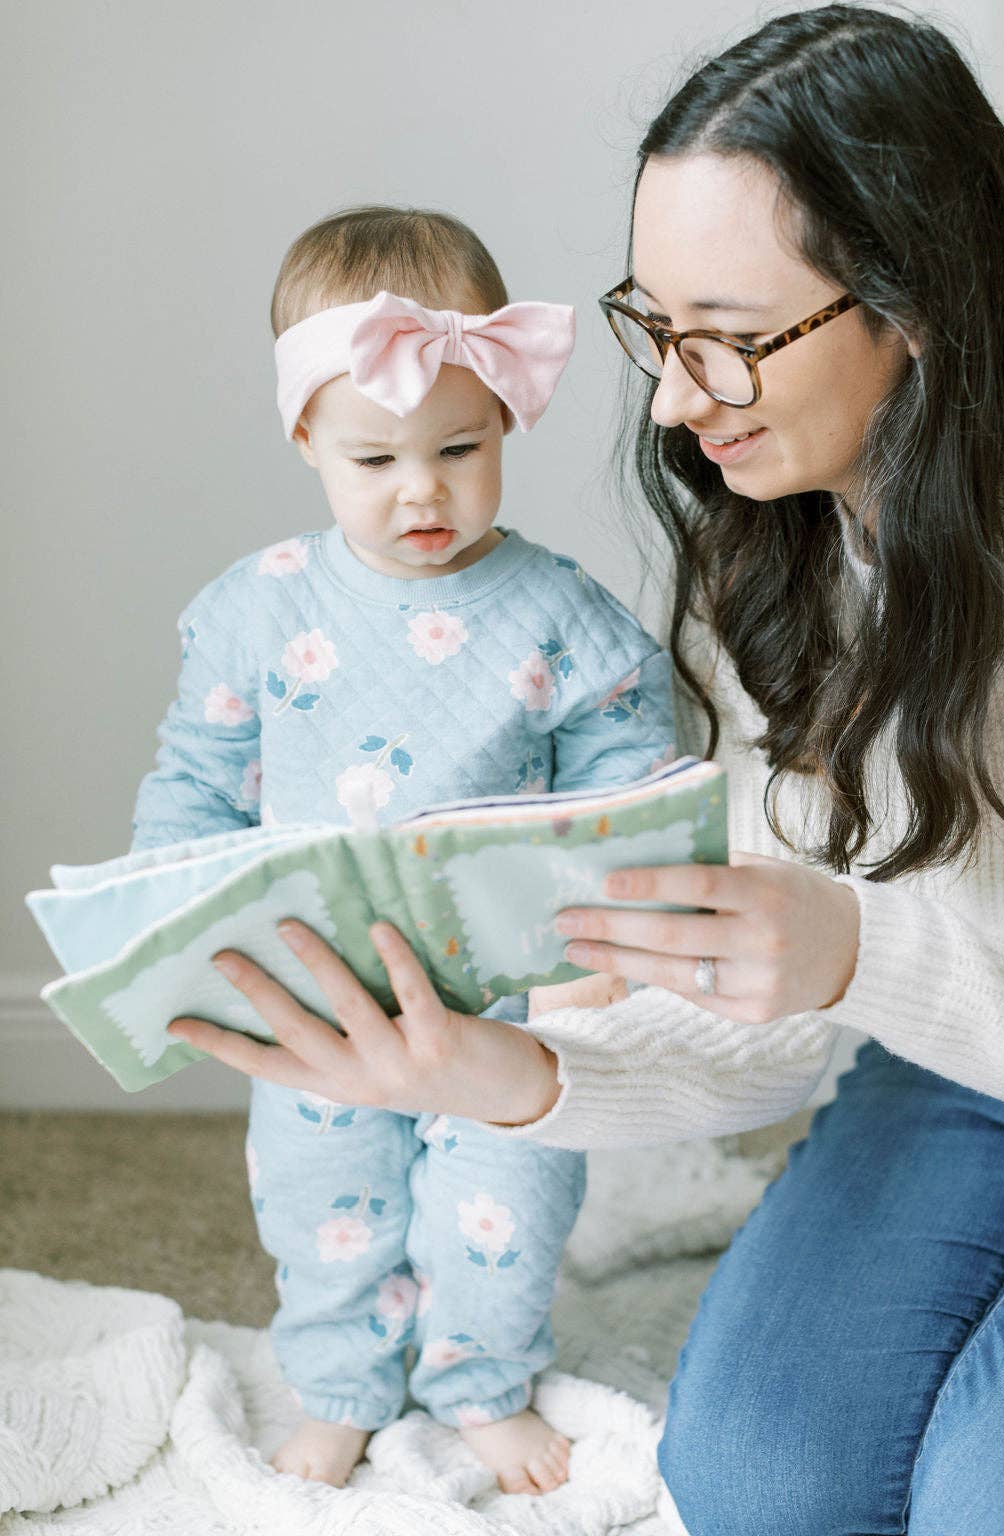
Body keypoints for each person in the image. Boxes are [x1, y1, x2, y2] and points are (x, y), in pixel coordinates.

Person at [167, 7, 1004, 1533]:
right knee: (760, 1490)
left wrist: (859, 949)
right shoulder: (779, 564)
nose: (679, 403)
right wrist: (499, 1073)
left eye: (734, 337)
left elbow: (852, 960)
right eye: (656, 324)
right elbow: (776, 1007)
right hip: (969, 1073)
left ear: (920, 304)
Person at [131, 205, 678, 1494]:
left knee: (509, 1197)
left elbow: (627, 781)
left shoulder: (562, 616)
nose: (421, 488)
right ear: (309, 435)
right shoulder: (256, 610)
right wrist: (173, 917)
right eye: (375, 458)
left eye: (459, 446)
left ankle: (483, 1380)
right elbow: (196, 785)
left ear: (505, 421)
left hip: (501, 997)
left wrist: (599, 941)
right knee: (325, 1199)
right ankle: (341, 1383)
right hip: (322, 994)